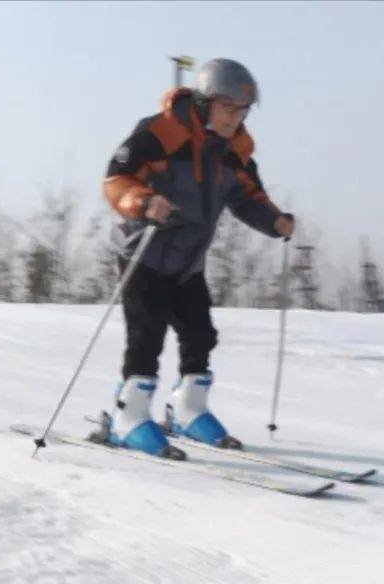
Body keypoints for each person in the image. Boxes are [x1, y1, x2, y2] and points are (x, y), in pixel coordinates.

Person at [95, 58, 295, 457]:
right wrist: (145, 201)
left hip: (188, 262)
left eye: (243, 111)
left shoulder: (233, 151)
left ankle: (188, 411)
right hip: (145, 253)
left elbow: (247, 196)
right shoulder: (160, 133)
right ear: (204, 103)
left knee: (200, 334)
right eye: (228, 108)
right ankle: (129, 418)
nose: (236, 119)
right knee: (146, 334)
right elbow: (117, 180)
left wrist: (274, 221)